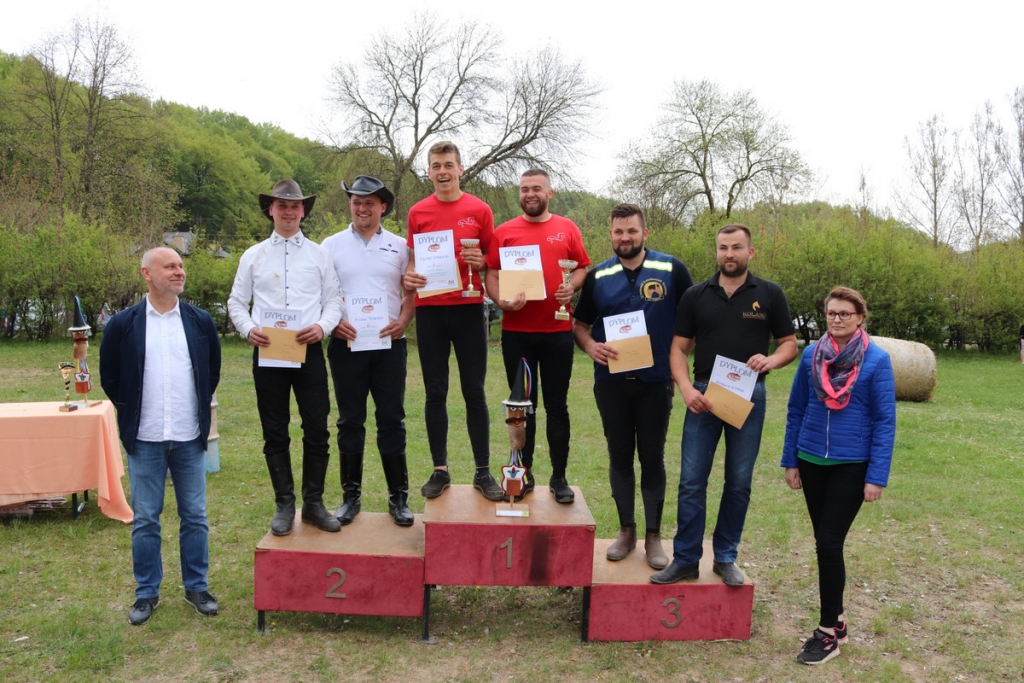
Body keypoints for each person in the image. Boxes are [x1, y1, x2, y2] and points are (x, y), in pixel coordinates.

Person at [650, 224, 798, 586]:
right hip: (704, 395)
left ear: (750, 252)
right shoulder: (696, 295)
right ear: (716, 252)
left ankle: (726, 557)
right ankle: (686, 559)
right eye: (723, 248)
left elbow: (789, 344)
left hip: (749, 395)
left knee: (739, 481)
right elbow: (678, 349)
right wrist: (686, 388)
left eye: (736, 247)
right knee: (691, 481)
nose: (729, 254)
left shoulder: (770, 293)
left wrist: (771, 360)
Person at [99, 247, 222, 625]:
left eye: (181, 266)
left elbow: (211, 372)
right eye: (169, 266)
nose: (179, 272)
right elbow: (110, 377)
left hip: (189, 435)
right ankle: (146, 593)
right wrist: (133, 413)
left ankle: (196, 587)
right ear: (147, 274)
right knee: (146, 520)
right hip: (145, 437)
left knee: (195, 516)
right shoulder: (123, 324)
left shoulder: (200, 322)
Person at [573, 204, 693, 568]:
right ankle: (627, 530)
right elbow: (580, 325)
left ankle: (654, 536)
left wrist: (678, 356)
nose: (625, 238)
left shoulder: (671, 269)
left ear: (645, 233)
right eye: (618, 232)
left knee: (652, 457)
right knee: (620, 456)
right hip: (611, 384)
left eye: (631, 231)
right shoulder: (598, 275)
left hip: (655, 382)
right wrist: (591, 346)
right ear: (610, 234)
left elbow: (692, 321)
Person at [781, 286, 895, 665]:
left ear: (860, 317)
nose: (837, 319)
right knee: (825, 543)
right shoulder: (811, 355)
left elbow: (885, 421)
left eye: (845, 313)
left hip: (852, 465)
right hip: (811, 460)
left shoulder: (877, 360)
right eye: (832, 313)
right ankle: (838, 620)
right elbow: (796, 408)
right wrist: (791, 460)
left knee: (829, 543)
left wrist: (877, 476)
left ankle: (827, 633)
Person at [228, 179, 343, 536]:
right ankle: (284, 504)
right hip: (268, 352)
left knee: (317, 429)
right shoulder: (253, 255)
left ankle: (314, 504)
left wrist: (322, 327)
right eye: (282, 206)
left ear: (303, 210)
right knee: (274, 430)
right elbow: (236, 302)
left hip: (309, 352)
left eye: (295, 206)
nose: (289, 212)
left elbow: (334, 301)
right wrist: (249, 329)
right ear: (271, 210)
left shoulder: (320, 255)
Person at [402, 141, 504, 502]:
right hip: (430, 309)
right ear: (429, 172)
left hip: (469, 307)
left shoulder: (480, 209)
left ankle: (482, 471)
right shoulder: (418, 212)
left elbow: (492, 260)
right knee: (435, 391)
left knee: (474, 391)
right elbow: (413, 260)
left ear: (460, 168)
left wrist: (482, 262)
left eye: (448, 165)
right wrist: (410, 276)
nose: (442, 171)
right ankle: (440, 470)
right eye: (436, 166)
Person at [484, 169, 590, 503]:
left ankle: (559, 477)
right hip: (517, 335)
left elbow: (582, 267)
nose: (530, 194)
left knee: (557, 407)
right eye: (524, 189)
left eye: (537, 188)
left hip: (558, 333)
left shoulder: (567, 228)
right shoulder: (504, 232)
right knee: (521, 408)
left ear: (549, 193)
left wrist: (571, 287)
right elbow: (492, 274)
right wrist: (501, 301)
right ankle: (523, 473)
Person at [321, 176, 416, 526]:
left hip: (389, 345)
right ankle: (351, 498)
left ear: (382, 207)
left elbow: (410, 292)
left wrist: (403, 321)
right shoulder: (329, 246)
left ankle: (399, 498)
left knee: (391, 419)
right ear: (350, 204)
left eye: (370, 203)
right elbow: (320, 293)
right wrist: (333, 323)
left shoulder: (401, 246)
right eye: (356, 202)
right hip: (346, 344)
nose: (362, 208)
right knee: (350, 420)